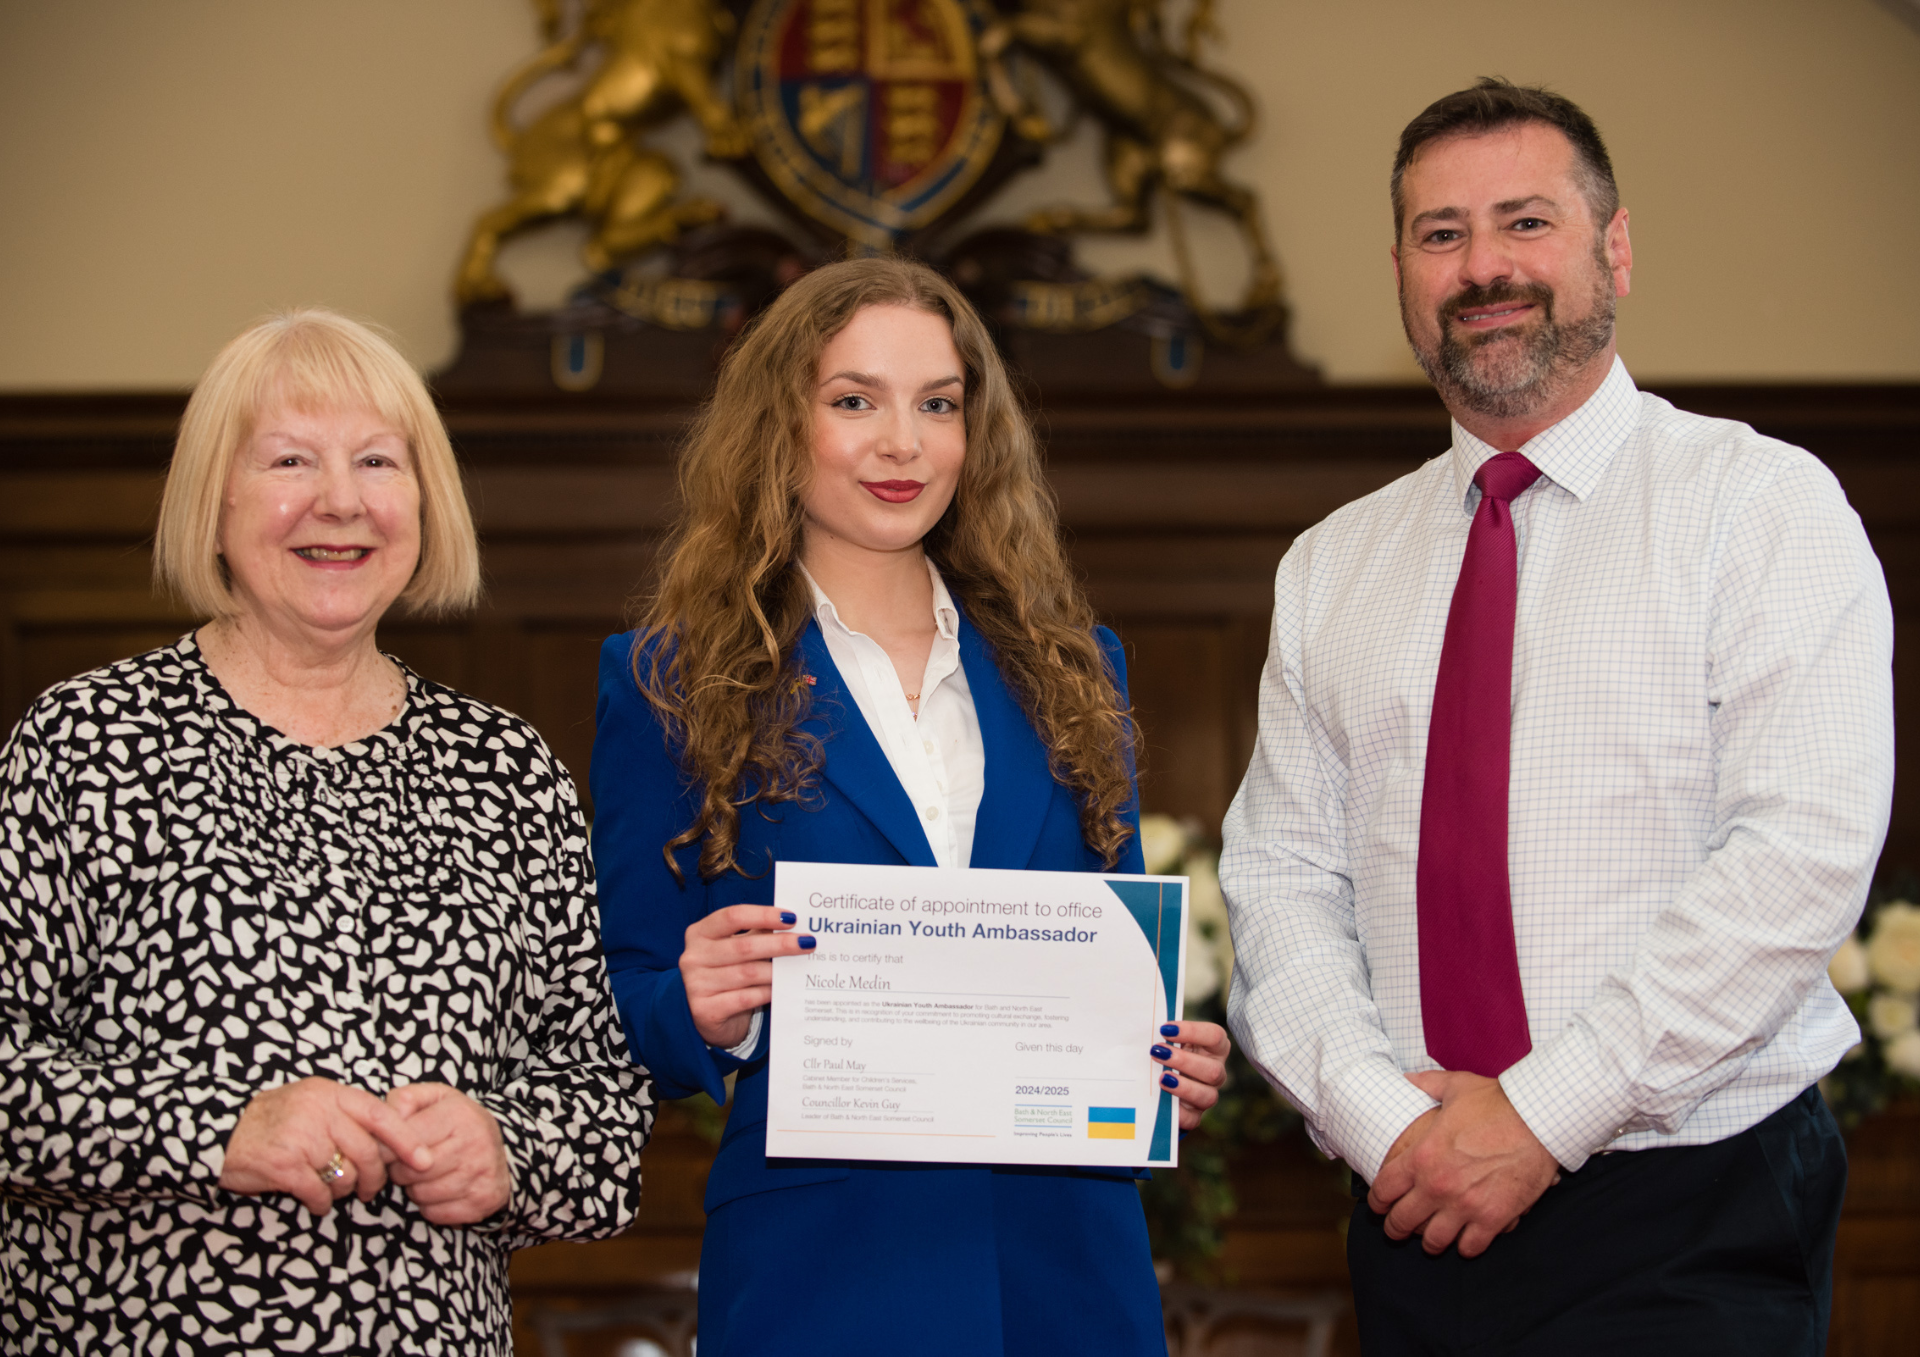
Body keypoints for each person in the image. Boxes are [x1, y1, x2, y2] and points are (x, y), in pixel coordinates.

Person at [1220, 78, 1892, 1356]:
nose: (1485, 268)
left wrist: (1536, 1117)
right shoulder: (1330, 564)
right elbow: (1279, 881)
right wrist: (1383, 1121)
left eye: (1526, 222)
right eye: (1441, 234)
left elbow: (1796, 859)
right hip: (1415, 1197)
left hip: (1696, 1194)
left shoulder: (1761, 508)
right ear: (1405, 273)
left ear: (1615, 248)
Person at [591, 256, 1230, 1357]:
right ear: (777, 428)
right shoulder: (670, 675)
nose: (904, 443)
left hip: (1070, 1267)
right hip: (824, 1271)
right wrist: (699, 1001)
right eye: (855, 401)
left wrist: (1165, 1052)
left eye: (939, 404)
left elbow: (1100, 951)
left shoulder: (1079, 666)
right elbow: (620, 992)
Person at [0, 310, 650, 1355]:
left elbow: (605, 1120)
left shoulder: (506, 770)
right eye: (291, 459)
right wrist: (221, 1132)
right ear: (214, 503)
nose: (340, 500)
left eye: (378, 461)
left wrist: (506, 1149)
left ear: (424, 505)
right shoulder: (88, 741)